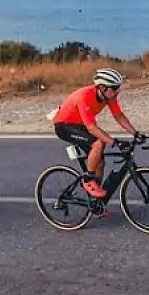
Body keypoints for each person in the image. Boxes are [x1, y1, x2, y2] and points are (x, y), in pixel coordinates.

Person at [50, 68, 143, 199]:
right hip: (64, 126)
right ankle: (88, 180)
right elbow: (92, 128)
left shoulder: (109, 96)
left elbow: (119, 116)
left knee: (100, 162)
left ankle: (96, 201)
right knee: (98, 143)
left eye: (118, 87)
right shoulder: (84, 96)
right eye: (115, 88)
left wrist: (135, 133)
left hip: (80, 125)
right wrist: (114, 142)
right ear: (102, 87)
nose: (118, 91)